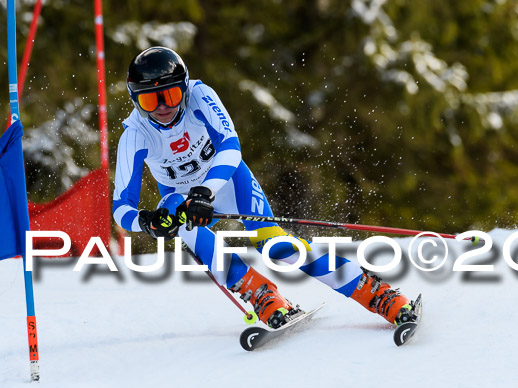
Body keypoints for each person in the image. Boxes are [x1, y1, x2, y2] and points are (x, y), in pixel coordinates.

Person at [112, 46, 418, 329]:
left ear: (185, 87)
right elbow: (121, 208)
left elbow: (230, 147)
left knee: (276, 246)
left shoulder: (200, 96)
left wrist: (204, 191)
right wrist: (147, 223)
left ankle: (376, 293)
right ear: (135, 99)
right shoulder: (135, 134)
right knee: (180, 223)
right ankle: (263, 295)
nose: (162, 107)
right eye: (149, 100)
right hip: (183, 201)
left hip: (227, 180)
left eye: (171, 95)